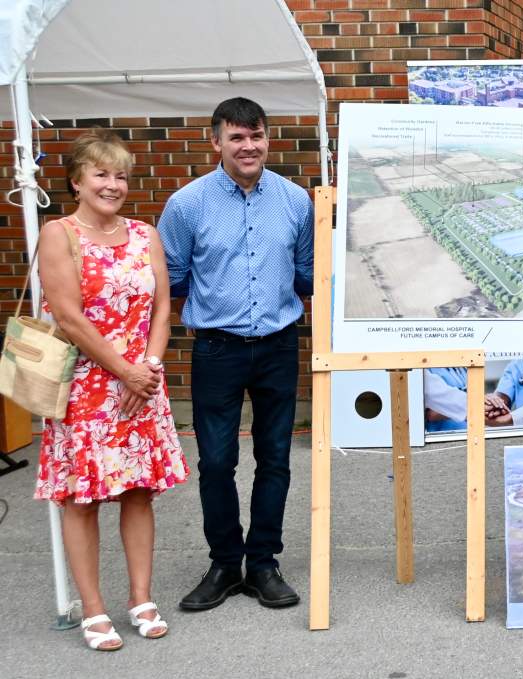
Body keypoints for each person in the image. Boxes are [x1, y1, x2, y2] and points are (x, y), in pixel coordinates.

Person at [35, 129, 187, 650]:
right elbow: (70, 318)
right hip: (87, 387)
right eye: (101, 173)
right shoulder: (61, 234)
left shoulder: (146, 234)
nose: (113, 184)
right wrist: (125, 370)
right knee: (83, 499)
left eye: (121, 174)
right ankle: (93, 609)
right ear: (77, 181)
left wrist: (147, 367)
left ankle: (141, 598)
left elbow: (163, 306)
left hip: (142, 383)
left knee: (139, 492)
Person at [160, 97, 314, 611]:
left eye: (257, 136)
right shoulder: (187, 205)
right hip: (217, 350)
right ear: (216, 142)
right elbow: (172, 279)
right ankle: (226, 564)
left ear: (268, 139)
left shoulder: (295, 201)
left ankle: (264, 562)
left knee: (275, 459)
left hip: (278, 346)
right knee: (217, 461)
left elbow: (309, 275)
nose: (248, 147)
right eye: (237, 137)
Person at [425, 367, 469, 431]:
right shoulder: (427, 367)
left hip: (471, 432)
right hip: (445, 435)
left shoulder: (462, 366)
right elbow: (432, 414)